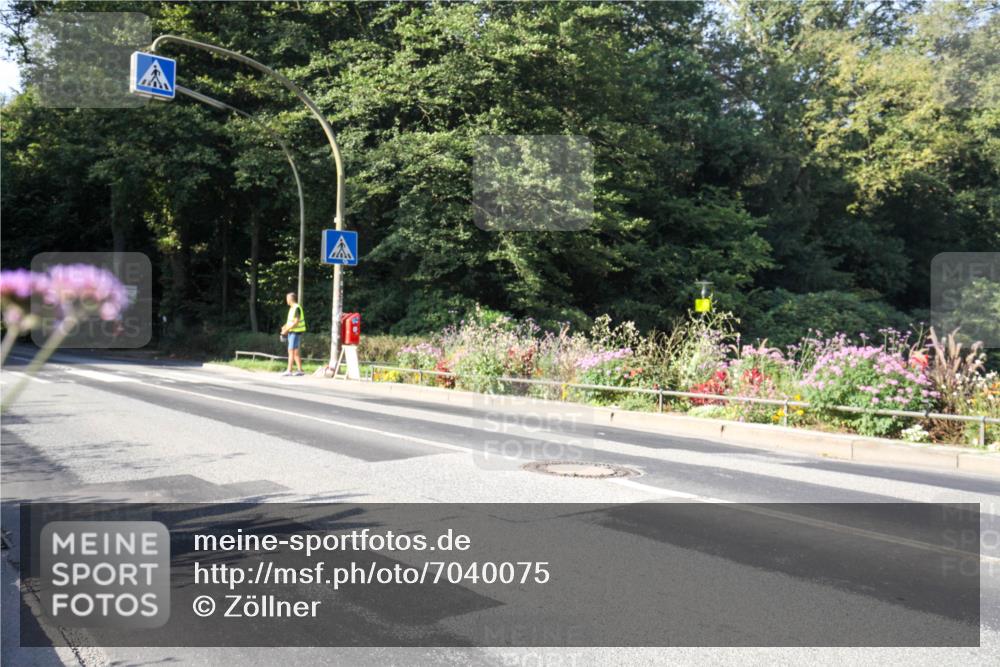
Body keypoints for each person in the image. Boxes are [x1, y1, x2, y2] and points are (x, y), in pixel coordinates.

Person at [280, 292, 306, 376]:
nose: (286, 300)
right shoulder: (292, 308)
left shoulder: (296, 308)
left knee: (290, 351)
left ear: (290, 299)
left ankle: (289, 370)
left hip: (295, 332)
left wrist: (286, 330)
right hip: (293, 332)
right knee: (295, 352)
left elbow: (296, 322)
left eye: (287, 298)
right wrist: (285, 326)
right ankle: (300, 370)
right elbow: (291, 321)